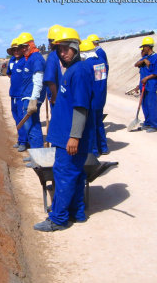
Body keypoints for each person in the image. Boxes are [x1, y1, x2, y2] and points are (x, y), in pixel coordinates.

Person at [34, 27, 94, 232]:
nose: (63, 53)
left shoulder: (79, 71)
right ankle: (77, 212)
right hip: (65, 134)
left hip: (68, 136)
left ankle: (58, 219)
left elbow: (81, 107)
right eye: (59, 49)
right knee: (75, 174)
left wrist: (74, 137)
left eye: (67, 48)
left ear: (76, 47)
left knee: (64, 175)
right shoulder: (72, 69)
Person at [16, 32, 46, 154]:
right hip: (27, 97)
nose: (23, 50)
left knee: (33, 127)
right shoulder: (29, 58)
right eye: (21, 47)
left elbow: (38, 80)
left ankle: (38, 157)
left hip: (31, 98)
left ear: (31, 45)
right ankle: (35, 155)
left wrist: (33, 100)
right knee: (30, 128)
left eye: (25, 46)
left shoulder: (36, 58)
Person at [80, 39, 109, 156]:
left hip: (92, 99)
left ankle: (94, 151)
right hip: (101, 97)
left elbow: (87, 84)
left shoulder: (86, 65)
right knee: (99, 123)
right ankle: (104, 147)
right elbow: (99, 81)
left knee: (91, 125)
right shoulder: (101, 62)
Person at [134, 36, 157, 132]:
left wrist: (146, 78)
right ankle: (147, 123)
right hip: (143, 85)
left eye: (144, 47)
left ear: (148, 47)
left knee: (151, 105)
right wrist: (143, 60)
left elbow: (156, 73)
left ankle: (154, 125)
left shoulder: (156, 58)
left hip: (151, 85)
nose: (143, 49)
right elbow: (136, 64)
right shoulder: (146, 57)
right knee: (144, 105)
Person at [6, 38, 28, 152]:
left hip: (21, 95)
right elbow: (9, 74)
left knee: (21, 117)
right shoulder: (11, 61)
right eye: (14, 50)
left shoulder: (25, 60)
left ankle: (24, 141)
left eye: (18, 49)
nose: (16, 51)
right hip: (13, 94)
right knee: (15, 117)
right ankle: (20, 139)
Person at [43, 25, 63, 109]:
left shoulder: (52, 56)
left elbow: (50, 80)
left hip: (58, 97)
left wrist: (54, 97)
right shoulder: (69, 54)